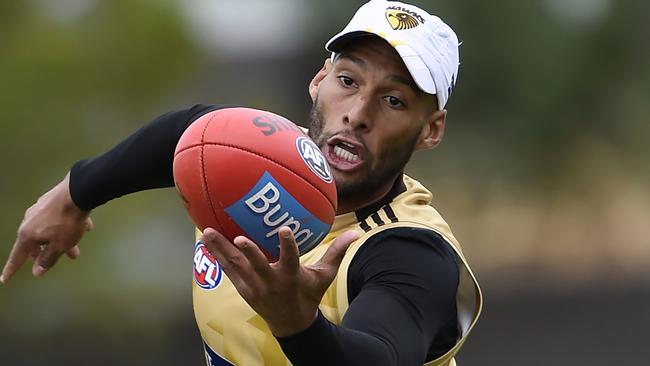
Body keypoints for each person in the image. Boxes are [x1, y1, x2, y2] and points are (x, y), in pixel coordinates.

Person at [2, 1, 482, 365]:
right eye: (349, 81)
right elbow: (182, 133)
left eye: (394, 101)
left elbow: (376, 355)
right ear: (319, 80)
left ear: (430, 130)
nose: (356, 114)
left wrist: (298, 324)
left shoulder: (411, 250)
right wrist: (72, 195)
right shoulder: (242, 158)